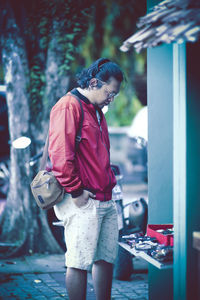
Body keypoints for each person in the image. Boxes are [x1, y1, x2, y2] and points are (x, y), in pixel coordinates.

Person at [48, 58, 124, 300]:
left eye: (114, 95)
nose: (111, 98)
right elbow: (61, 154)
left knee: (105, 258)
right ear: (93, 82)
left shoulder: (97, 110)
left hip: (105, 197)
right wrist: (76, 192)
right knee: (79, 262)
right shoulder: (69, 106)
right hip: (83, 198)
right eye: (109, 92)